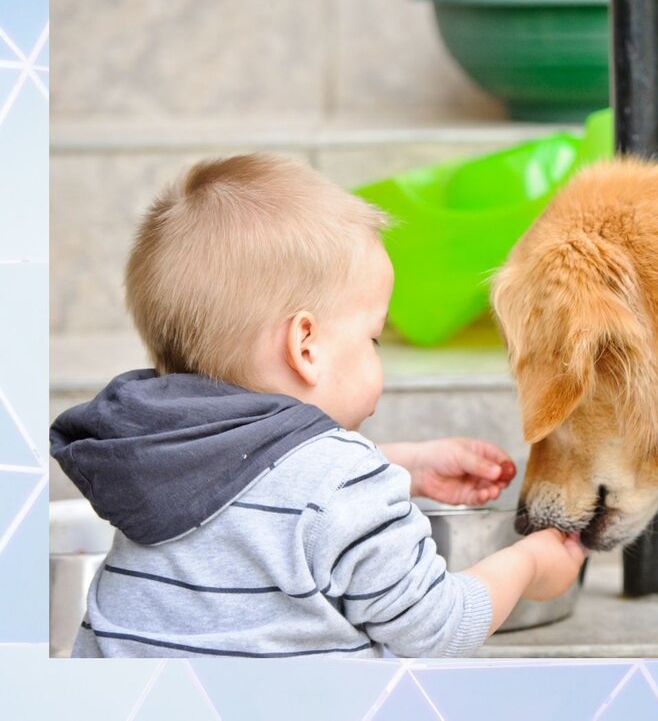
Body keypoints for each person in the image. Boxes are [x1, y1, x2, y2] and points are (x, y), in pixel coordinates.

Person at [50, 153, 585, 658]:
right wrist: (529, 564)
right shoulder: (345, 485)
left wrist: (405, 464)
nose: (378, 357)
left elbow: (254, 481)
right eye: (372, 339)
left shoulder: (148, 458)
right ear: (305, 346)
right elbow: (435, 627)